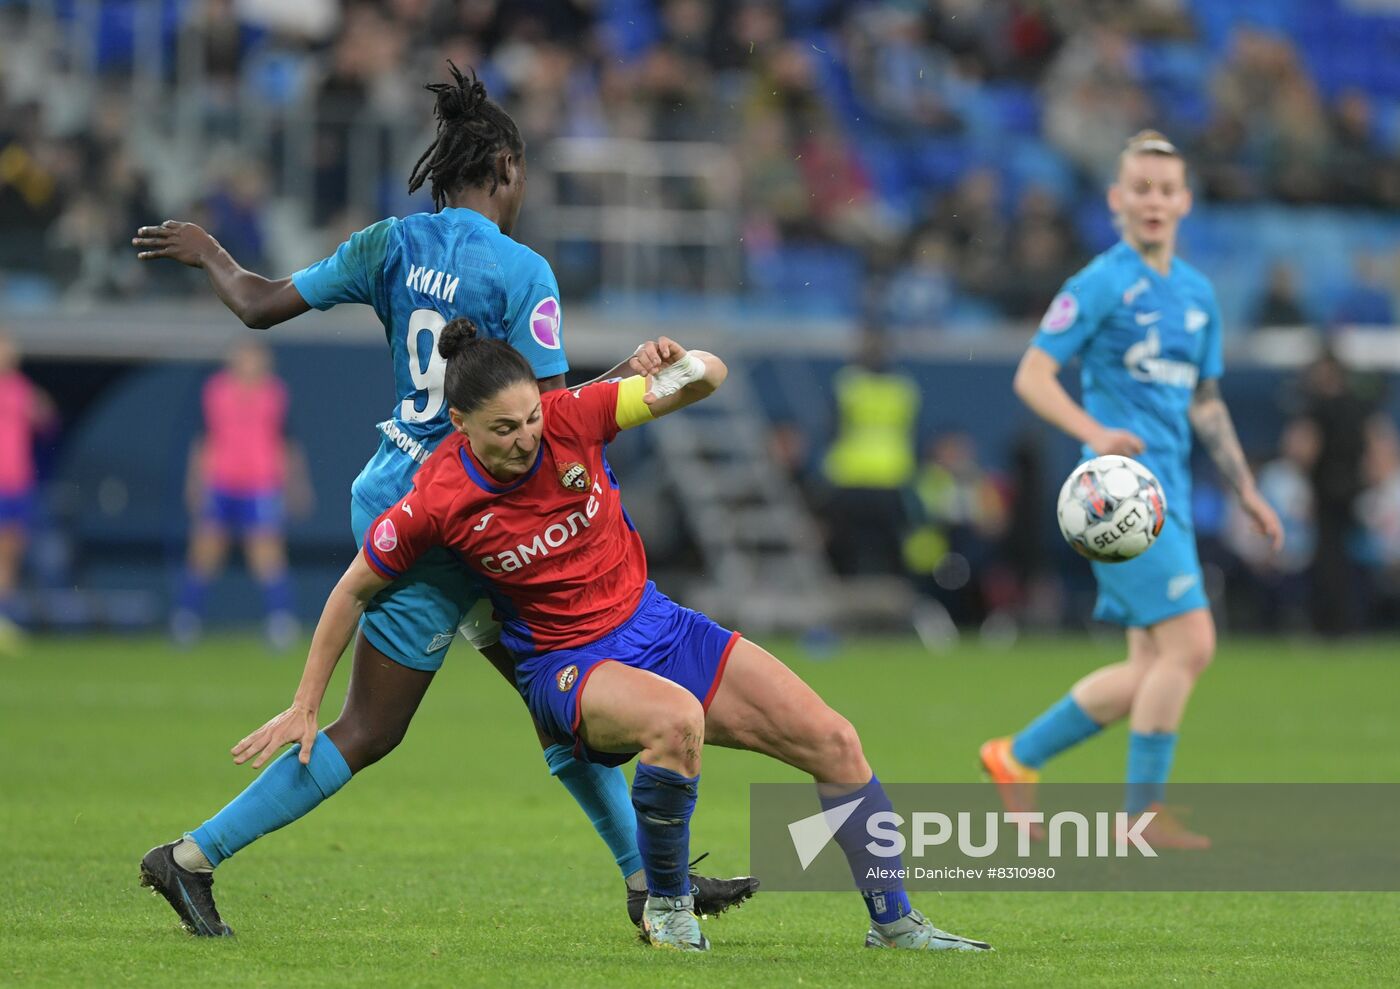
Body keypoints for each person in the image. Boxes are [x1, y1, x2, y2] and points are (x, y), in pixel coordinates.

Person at [132, 64, 753, 937]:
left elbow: (259, 304)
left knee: (551, 690)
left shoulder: (388, 243)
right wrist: (632, 378)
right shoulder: (523, 270)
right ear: (504, 166)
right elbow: (547, 424)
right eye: (523, 172)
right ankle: (191, 857)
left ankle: (648, 883)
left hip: (394, 491)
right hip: (455, 520)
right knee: (378, 725)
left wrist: (213, 254)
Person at [239, 320, 992, 953]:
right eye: (503, 428)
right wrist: (308, 700)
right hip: (567, 665)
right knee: (676, 721)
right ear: (461, 426)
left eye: (531, 416)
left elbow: (709, 377)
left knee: (834, 739)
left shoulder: (573, 415)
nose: (526, 437)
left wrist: (677, 365)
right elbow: (351, 588)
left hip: (658, 625)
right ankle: (667, 906)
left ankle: (895, 925)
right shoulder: (437, 496)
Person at [980, 131, 1284, 848]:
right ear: (1116, 200)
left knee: (1151, 663)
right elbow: (1032, 373)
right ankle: (1141, 817)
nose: (1152, 200)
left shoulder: (1198, 293)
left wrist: (1245, 487)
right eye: (1138, 188)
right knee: (1193, 645)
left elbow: (1205, 401)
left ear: (1184, 200)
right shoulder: (1100, 281)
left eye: (1164, 189)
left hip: (1170, 491)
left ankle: (1016, 755)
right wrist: (1097, 430)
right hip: (1117, 500)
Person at [172, 339, 310, 649]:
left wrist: (295, 485)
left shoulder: (274, 394)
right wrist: (195, 483)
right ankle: (186, 620)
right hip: (220, 482)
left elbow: (285, 443)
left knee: (267, 556)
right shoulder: (215, 390)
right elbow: (203, 439)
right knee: (204, 554)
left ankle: (281, 622)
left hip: (261, 485)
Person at [0, 331, 56, 640]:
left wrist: (42, 409)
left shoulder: (21, 389)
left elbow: (45, 422)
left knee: (10, 553)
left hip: (17, 484)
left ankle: (2, 619)